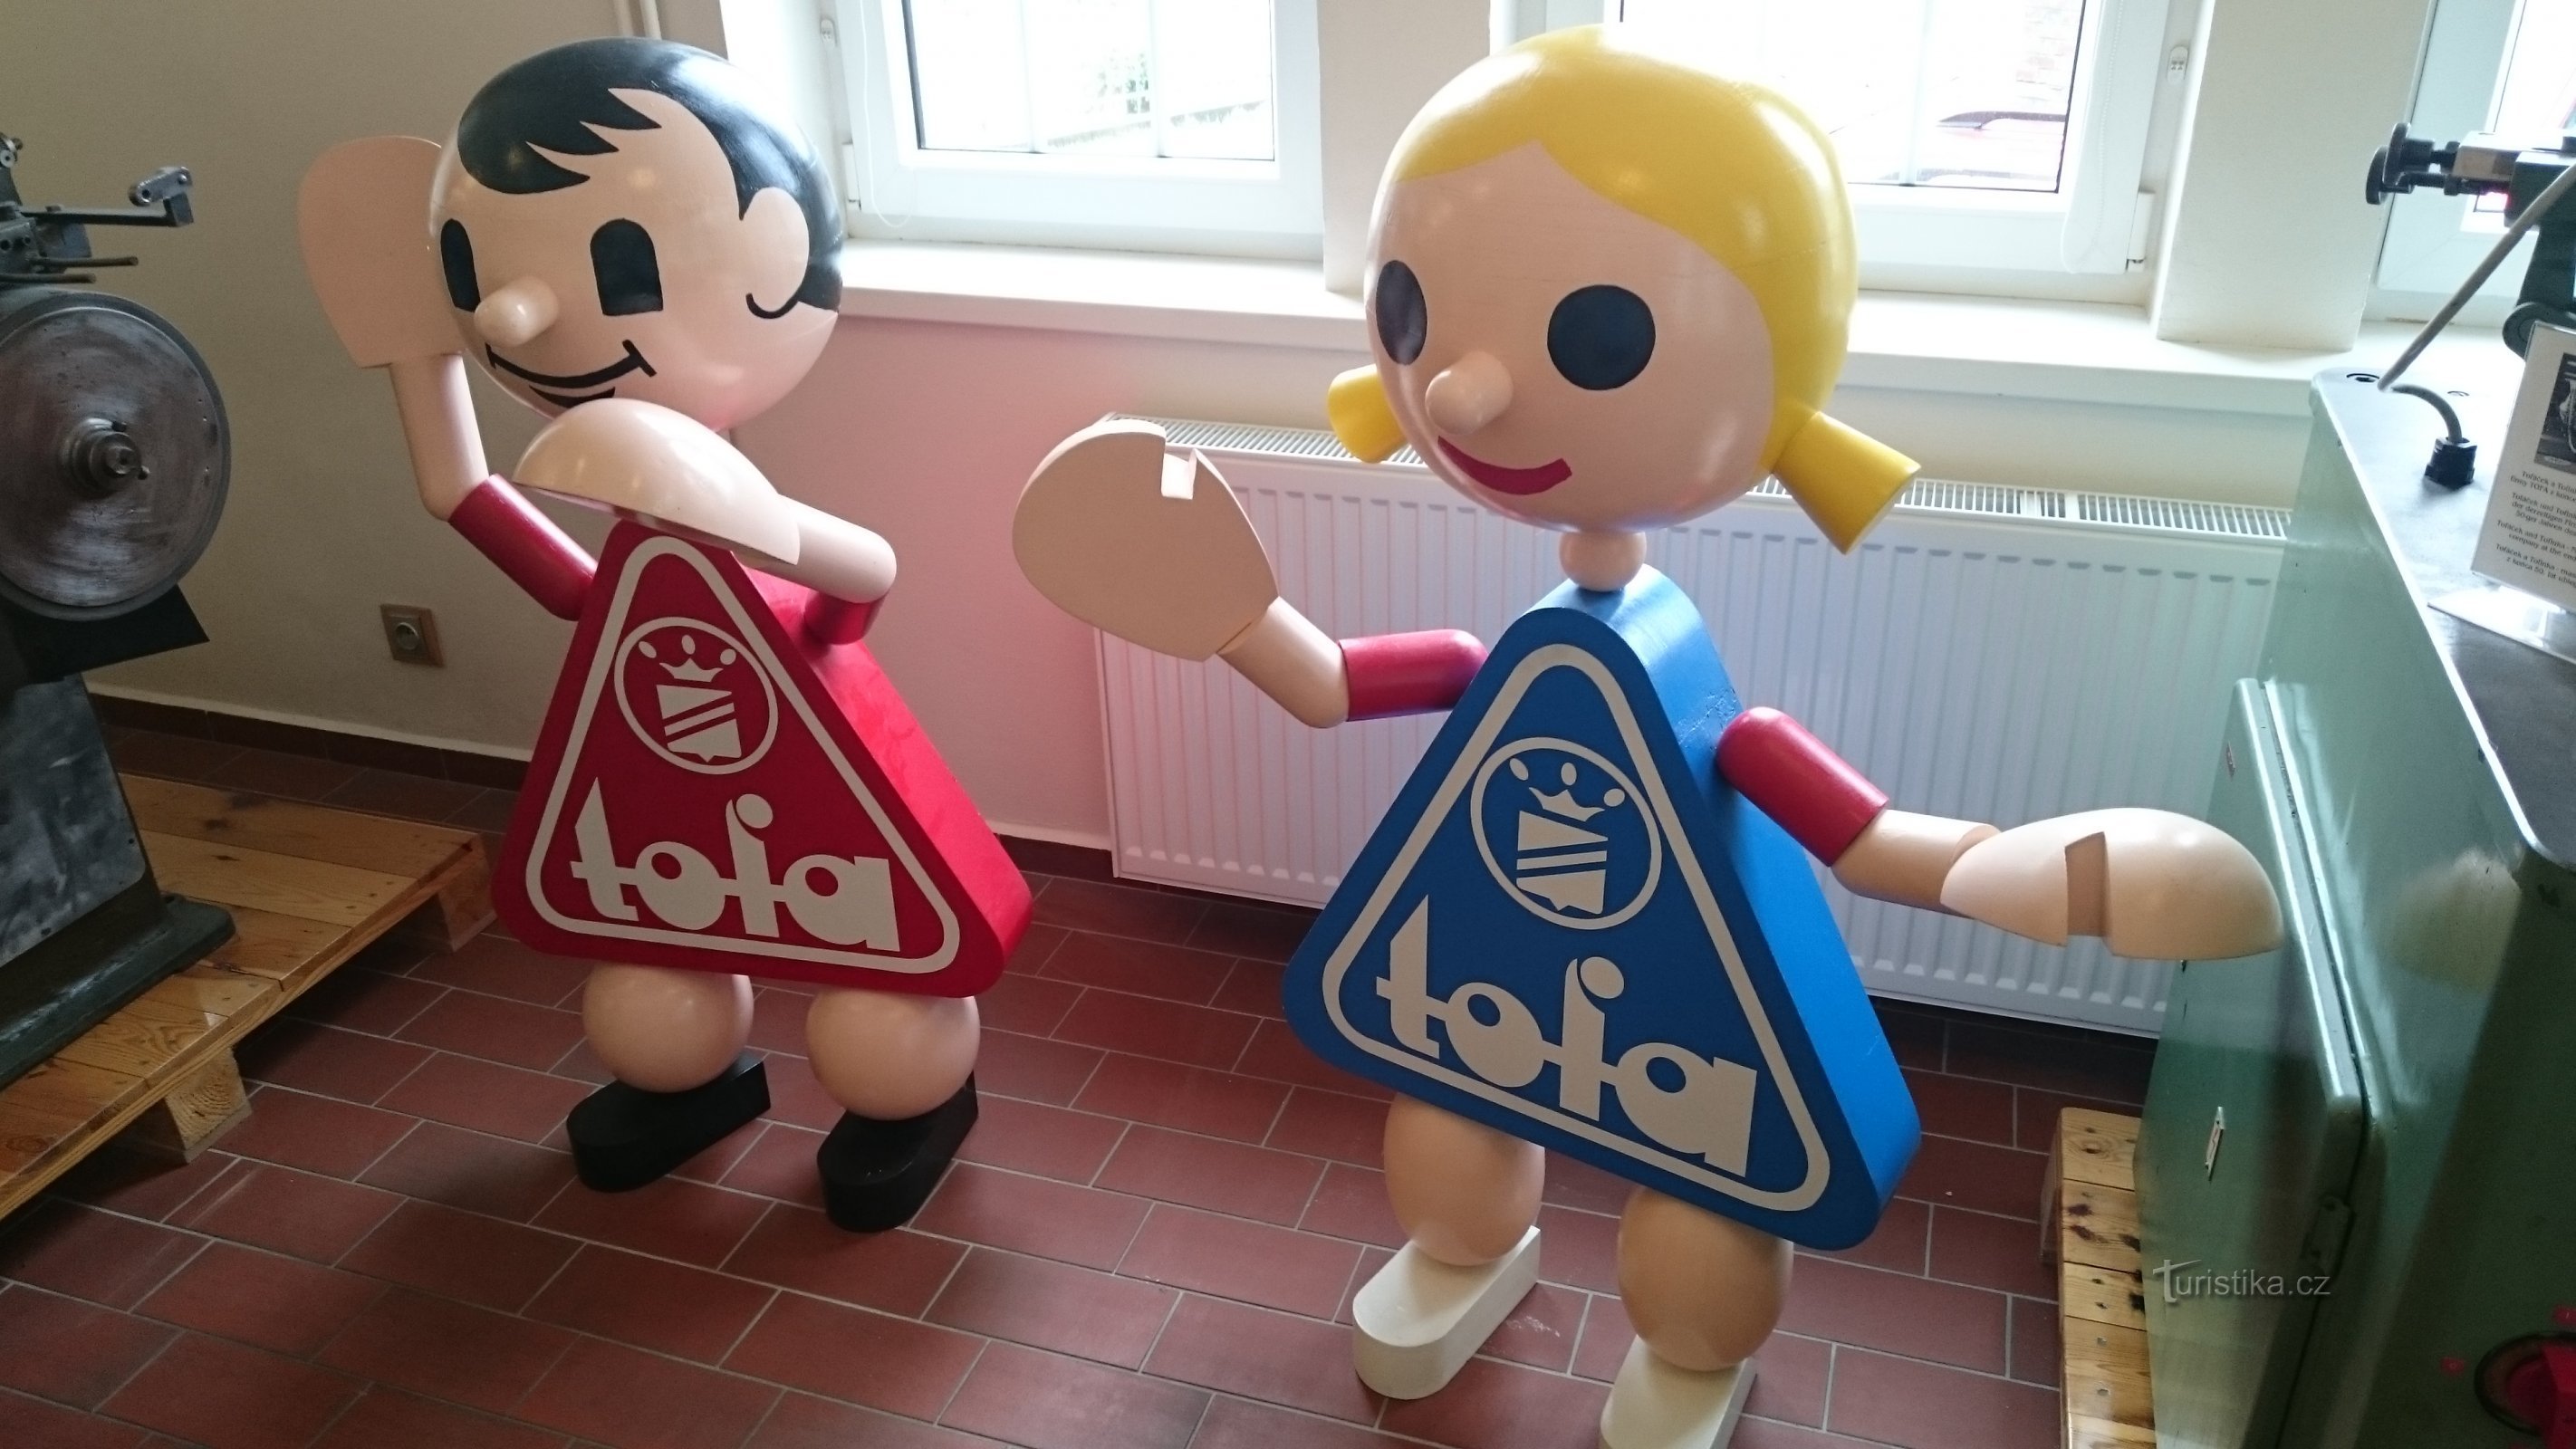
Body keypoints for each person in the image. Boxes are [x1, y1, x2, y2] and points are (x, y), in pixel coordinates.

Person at [1015, 24, 2278, 1445]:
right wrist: (1228, 611)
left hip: (1681, 1018)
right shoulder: (1497, 661)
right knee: (1446, 1111)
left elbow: (1863, 841)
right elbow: (1325, 686)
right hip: (1485, 980)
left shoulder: (1701, 708)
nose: (1460, 392)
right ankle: (1464, 1254)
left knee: (1704, 1200)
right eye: (1412, 312)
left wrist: (2042, 876)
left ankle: (1686, 1356)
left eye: (1599, 337)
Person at [302, 37, 1028, 1232]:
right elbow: (490, 518)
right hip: (653, 775)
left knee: (880, 968)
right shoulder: (607, 517)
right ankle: (683, 1077)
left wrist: (758, 521)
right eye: (476, 268)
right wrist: (420, 368)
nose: (517, 309)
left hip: (803, 762)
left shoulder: (746, 515)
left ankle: (905, 1098)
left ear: (775, 254)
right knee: (651, 959)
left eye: (621, 259)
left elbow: (859, 587)